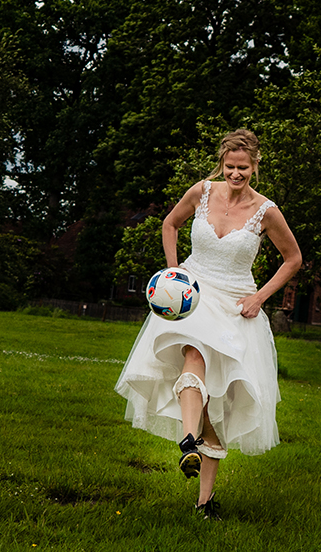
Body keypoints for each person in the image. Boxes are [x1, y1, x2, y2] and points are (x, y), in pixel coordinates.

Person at [115, 129, 302, 520]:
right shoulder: (201, 191)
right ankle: (187, 441)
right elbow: (170, 224)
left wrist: (259, 297)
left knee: (216, 406)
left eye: (244, 169)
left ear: (255, 166)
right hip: (192, 297)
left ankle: (204, 500)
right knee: (193, 356)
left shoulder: (266, 210)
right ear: (222, 163)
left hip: (235, 305)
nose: (236, 175)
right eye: (231, 167)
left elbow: (293, 259)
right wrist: (173, 273)